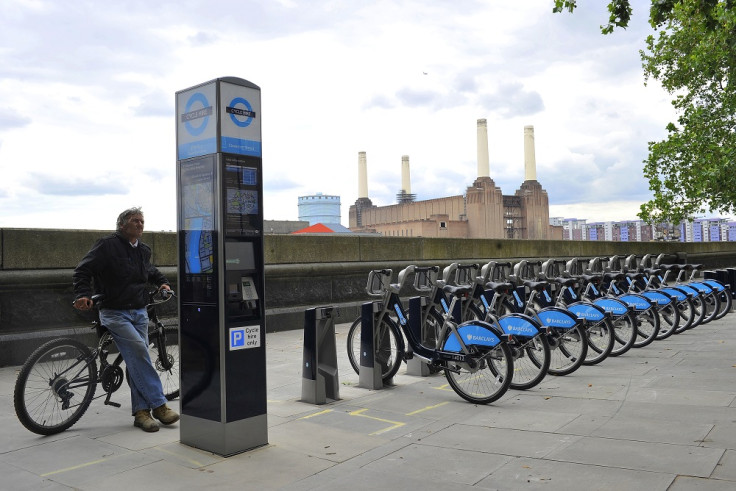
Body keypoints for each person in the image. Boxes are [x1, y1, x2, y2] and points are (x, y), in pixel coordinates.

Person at [73, 207, 179, 432]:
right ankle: (159, 405)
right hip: (114, 312)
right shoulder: (107, 245)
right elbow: (83, 271)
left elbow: (148, 271)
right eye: (135, 221)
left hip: (139, 311)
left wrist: (163, 282)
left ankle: (141, 413)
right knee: (140, 352)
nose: (140, 224)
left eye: (142, 221)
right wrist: (82, 294)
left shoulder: (143, 250)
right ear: (122, 225)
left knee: (136, 359)